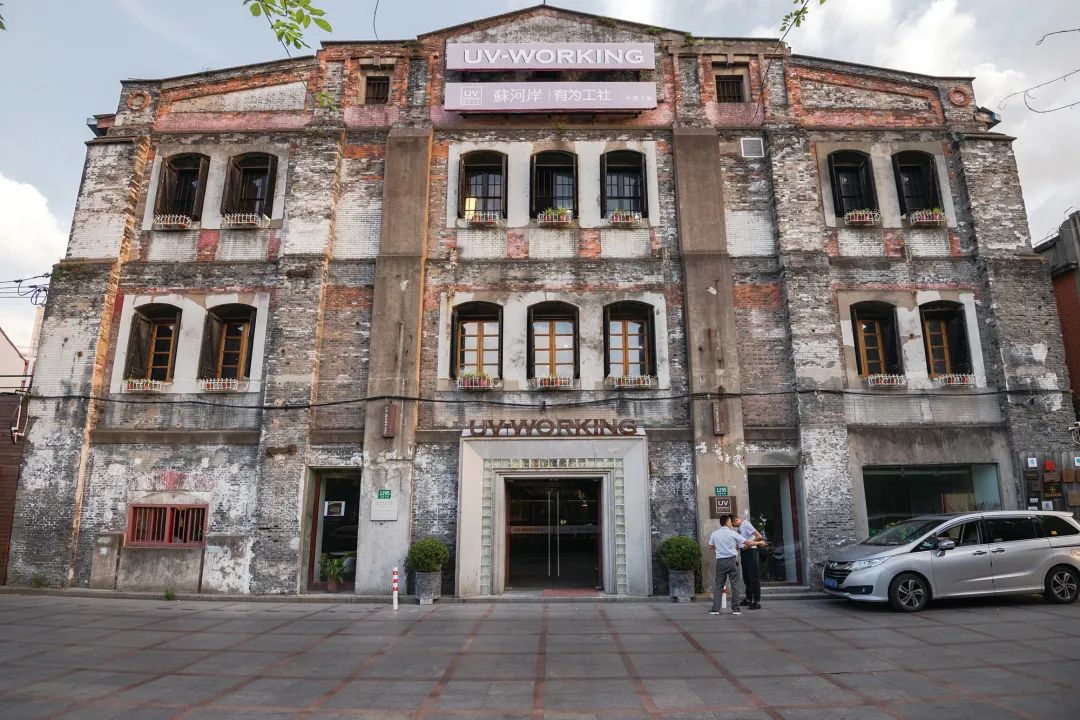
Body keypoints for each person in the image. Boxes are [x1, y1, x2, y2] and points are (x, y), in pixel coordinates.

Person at [707, 514, 748, 616]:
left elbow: (711, 546)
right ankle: (736, 609)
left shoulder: (715, 533)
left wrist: (720, 546)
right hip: (732, 561)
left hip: (721, 562)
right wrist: (758, 542)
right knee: (735, 585)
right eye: (730, 521)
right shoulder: (733, 533)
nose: (731, 523)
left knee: (719, 586)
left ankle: (715, 609)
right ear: (726, 522)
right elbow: (745, 542)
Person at [733, 515, 765, 610]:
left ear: (736, 520)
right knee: (746, 577)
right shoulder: (740, 528)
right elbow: (741, 542)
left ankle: (757, 602)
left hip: (751, 552)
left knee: (753, 578)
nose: (733, 526)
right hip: (744, 553)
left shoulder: (746, 524)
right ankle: (748, 599)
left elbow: (759, 536)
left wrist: (748, 545)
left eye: (733, 524)